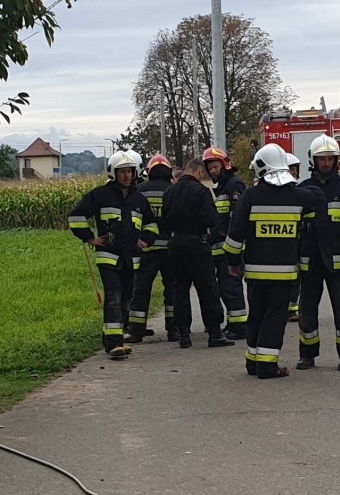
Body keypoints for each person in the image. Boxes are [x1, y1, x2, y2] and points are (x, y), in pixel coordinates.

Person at [223, 144, 323, 379]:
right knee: (274, 317)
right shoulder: (297, 195)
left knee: (256, 315)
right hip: (284, 274)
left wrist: (232, 261)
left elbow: (235, 233)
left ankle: (252, 361)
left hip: (256, 274)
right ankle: (267, 365)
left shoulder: (250, 195)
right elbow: (319, 199)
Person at [68, 151, 154, 360]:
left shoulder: (138, 199)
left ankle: (112, 337)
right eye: (121, 172)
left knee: (126, 298)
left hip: (130, 259)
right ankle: (114, 344)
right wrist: (89, 238)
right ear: (113, 173)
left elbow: (151, 224)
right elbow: (76, 216)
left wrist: (146, 240)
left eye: (129, 171)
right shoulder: (99, 195)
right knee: (113, 296)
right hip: (108, 257)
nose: (126, 176)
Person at [296, 135, 340, 371]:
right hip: (310, 260)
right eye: (321, 159)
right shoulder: (302, 190)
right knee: (306, 310)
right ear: (313, 160)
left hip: (338, 260)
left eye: (329, 159)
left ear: (335, 161)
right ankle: (307, 354)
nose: (325, 163)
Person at [160, 158, 234, 349]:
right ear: (199, 172)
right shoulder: (202, 192)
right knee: (207, 288)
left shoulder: (169, 192)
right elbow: (211, 219)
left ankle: (183, 333)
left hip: (175, 244)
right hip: (197, 244)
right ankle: (215, 333)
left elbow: (164, 220)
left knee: (180, 290)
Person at [127, 153, 175, 342]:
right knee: (172, 289)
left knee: (141, 288)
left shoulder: (139, 191)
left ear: (148, 172)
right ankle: (173, 329)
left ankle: (137, 330)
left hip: (146, 248)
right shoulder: (173, 190)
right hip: (170, 249)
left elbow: (132, 220)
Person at [202, 147, 248, 339]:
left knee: (231, 287)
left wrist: (219, 233)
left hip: (231, 248)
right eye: (210, 168)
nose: (213, 171)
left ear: (224, 165)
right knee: (226, 288)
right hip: (222, 248)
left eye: (215, 167)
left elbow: (236, 218)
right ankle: (233, 323)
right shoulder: (221, 186)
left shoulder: (234, 186)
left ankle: (239, 327)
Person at [284, 152, 302, 321]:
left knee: (296, 275)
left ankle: (292, 308)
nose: (294, 173)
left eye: (295, 170)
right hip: (283, 240)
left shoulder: (299, 192)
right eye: (290, 169)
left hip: (297, 239)